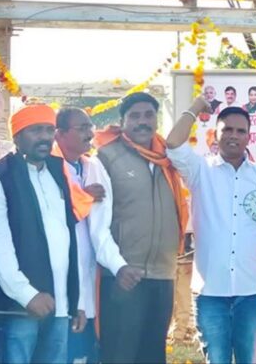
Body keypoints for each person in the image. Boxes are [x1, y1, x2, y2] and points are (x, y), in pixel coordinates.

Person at [165, 97, 256, 364]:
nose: (234, 135)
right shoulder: (199, 171)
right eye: (227, 129)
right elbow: (172, 143)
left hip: (252, 292)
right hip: (210, 293)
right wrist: (196, 107)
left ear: (249, 137)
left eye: (240, 131)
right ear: (215, 134)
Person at [0, 102, 84, 364]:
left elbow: (68, 241)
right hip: (18, 308)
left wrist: (75, 300)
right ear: (17, 137)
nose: (44, 137)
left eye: (48, 130)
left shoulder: (58, 172)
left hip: (58, 306)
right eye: (35, 130)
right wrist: (27, 295)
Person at [90, 92, 185, 364]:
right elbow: (97, 223)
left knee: (153, 355)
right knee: (119, 356)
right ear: (122, 121)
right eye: (135, 116)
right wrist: (119, 266)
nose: (142, 122)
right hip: (123, 277)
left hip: (163, 274)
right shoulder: (107, 157)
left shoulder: (168, 157)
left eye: (148, 115)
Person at [53, 107, 110, 364]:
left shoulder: (90, 166)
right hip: (61, 284)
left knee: (84, 354)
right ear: (60, 135)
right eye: (82, 128)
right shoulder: (50, 169)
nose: (90, 133)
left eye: (90, 126)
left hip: (89, 277)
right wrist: (84, 197)